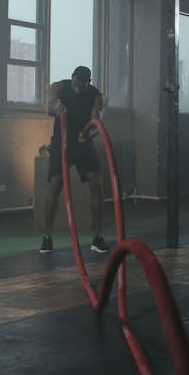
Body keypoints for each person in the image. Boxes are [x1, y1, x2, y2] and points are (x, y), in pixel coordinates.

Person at [40, 66, 109, 255]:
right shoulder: (59, 87)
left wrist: (89, 134)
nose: (79, 89)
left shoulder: (95, 95)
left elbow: (96, 122)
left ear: (89, 83)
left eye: (83, 86)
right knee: (55, 184)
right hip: (61, 141)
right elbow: (48, 108)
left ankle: (97, 237)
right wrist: (56, 107)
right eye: (76, 85)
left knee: (96, 182)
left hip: (83, 141)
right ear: (72, 79)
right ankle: (47, 238)